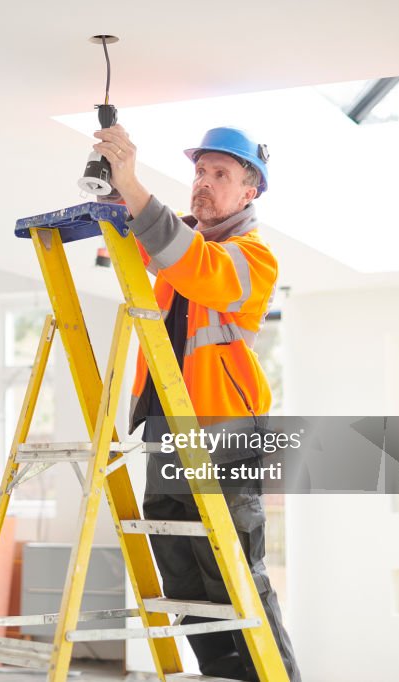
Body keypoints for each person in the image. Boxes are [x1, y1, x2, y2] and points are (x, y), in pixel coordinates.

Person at [92, 125, 300, 681]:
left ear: (248, 192)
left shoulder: (252, 259)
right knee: (185, 582)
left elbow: (198, 269)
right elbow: (131, 249)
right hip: (168, 435)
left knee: (233, 576)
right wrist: (114, 187)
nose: (203, 185)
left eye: (221, 175)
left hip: (225, 435)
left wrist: (135, 188)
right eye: (200, 172)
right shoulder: (179, 243)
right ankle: (224, 676)